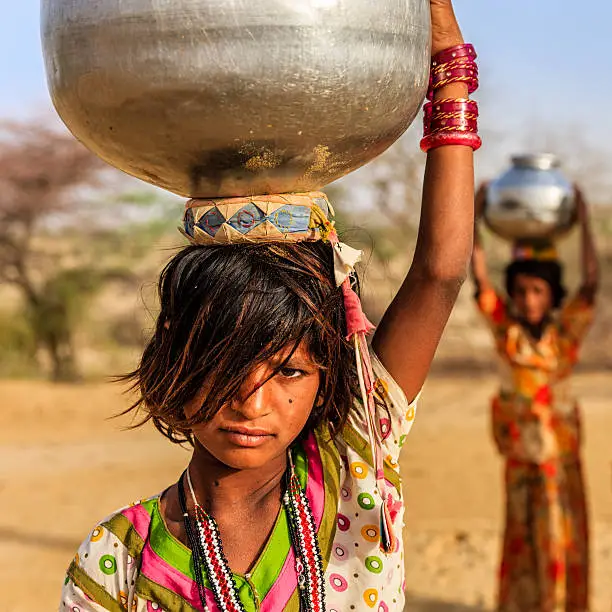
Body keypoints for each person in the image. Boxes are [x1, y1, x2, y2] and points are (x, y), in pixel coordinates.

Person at [60, 1, 478, 610]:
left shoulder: (351, 466)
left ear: (327, 374)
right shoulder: (119, 560)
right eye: (225, 365)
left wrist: (450, 70)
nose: (252, 404)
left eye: (289, 372)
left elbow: (441, 272)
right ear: (174, 358)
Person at [471, 185, 599, 612]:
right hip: (521, 459)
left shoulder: (565, 338)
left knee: (562, 537)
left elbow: (592, 282)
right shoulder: (506, 334)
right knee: (523, 537)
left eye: (538, 291)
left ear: (551, 294)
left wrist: (582, 221)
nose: (528, 300)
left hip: (560, 461)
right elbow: (479, 275)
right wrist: (474, 214)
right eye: (522, 291)